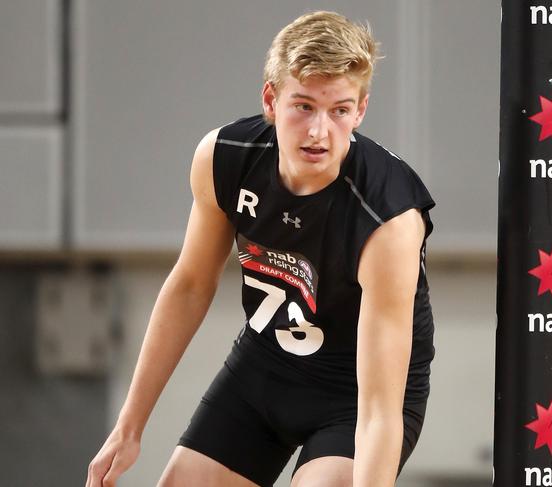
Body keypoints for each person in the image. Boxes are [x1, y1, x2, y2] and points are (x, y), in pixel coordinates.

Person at [86, 10, 435, 487]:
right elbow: (189, 286)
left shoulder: (388, 216)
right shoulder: (225, 156)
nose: (318, 131)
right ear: (271, 100)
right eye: (304, 106)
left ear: (360, 110)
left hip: (354, 394)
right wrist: (129, 427)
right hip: (267, 361)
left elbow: (379, 408)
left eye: (339, 111)